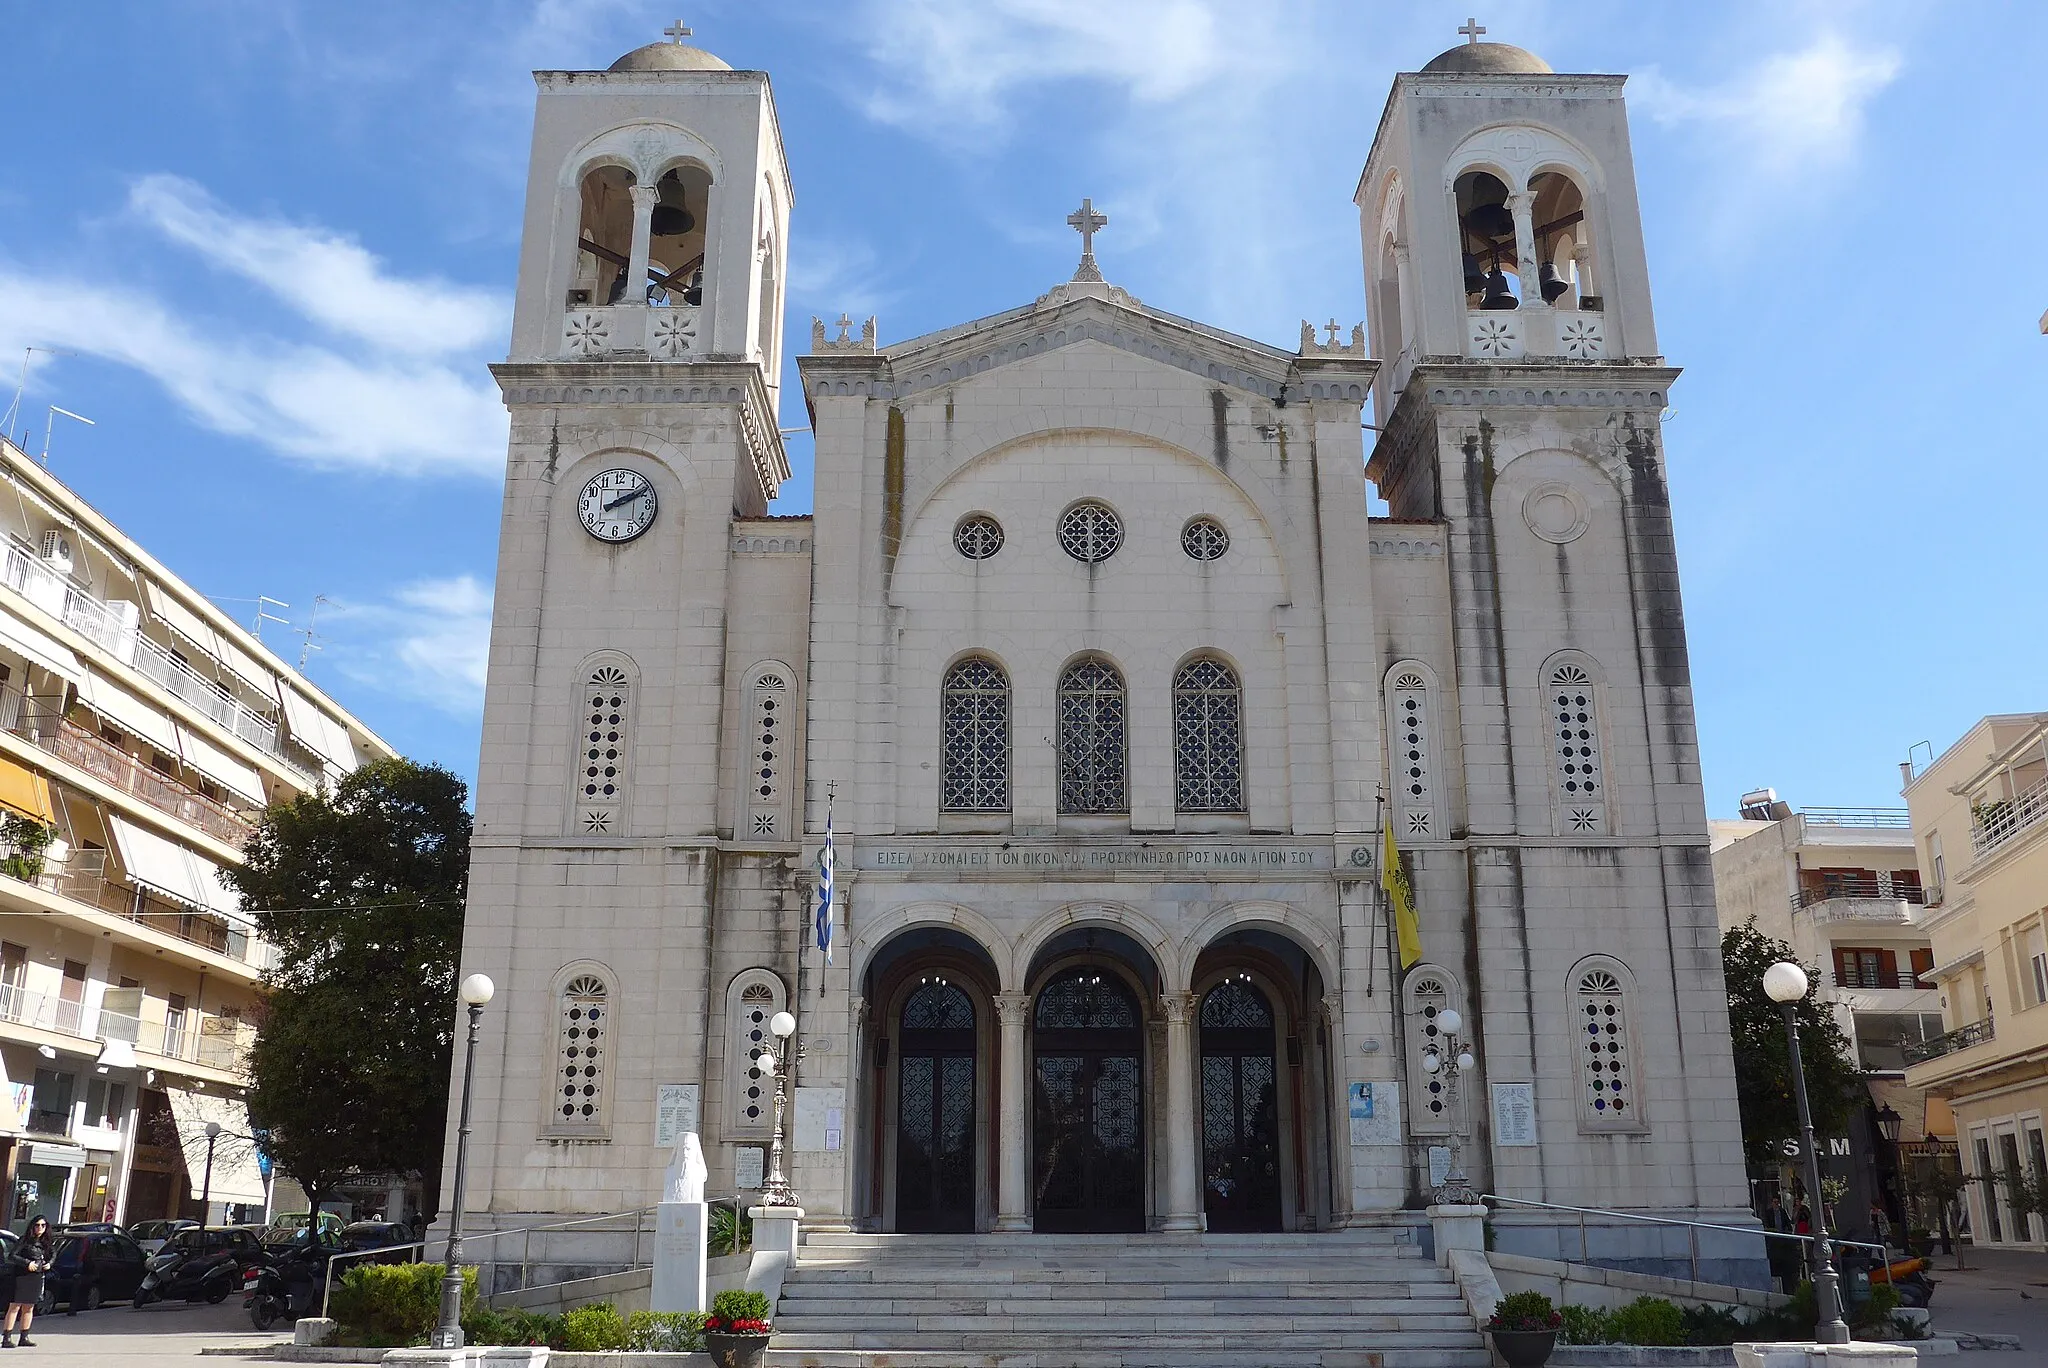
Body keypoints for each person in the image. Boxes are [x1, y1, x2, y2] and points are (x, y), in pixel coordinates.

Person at [5, 1215, 52, 1347]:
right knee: (15, 1306)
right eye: (37, 1225)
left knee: (29, 1307)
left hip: (36, 1277)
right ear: (32, 1226)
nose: (40, 1228)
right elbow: (12, 1255)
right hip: (22, 1276)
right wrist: (27, 1263)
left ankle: (24, 1337)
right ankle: (6, 1338)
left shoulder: (45, 1243)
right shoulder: (24, 1240)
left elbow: (52, 1254)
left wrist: (49, 1264)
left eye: (43, 1225)